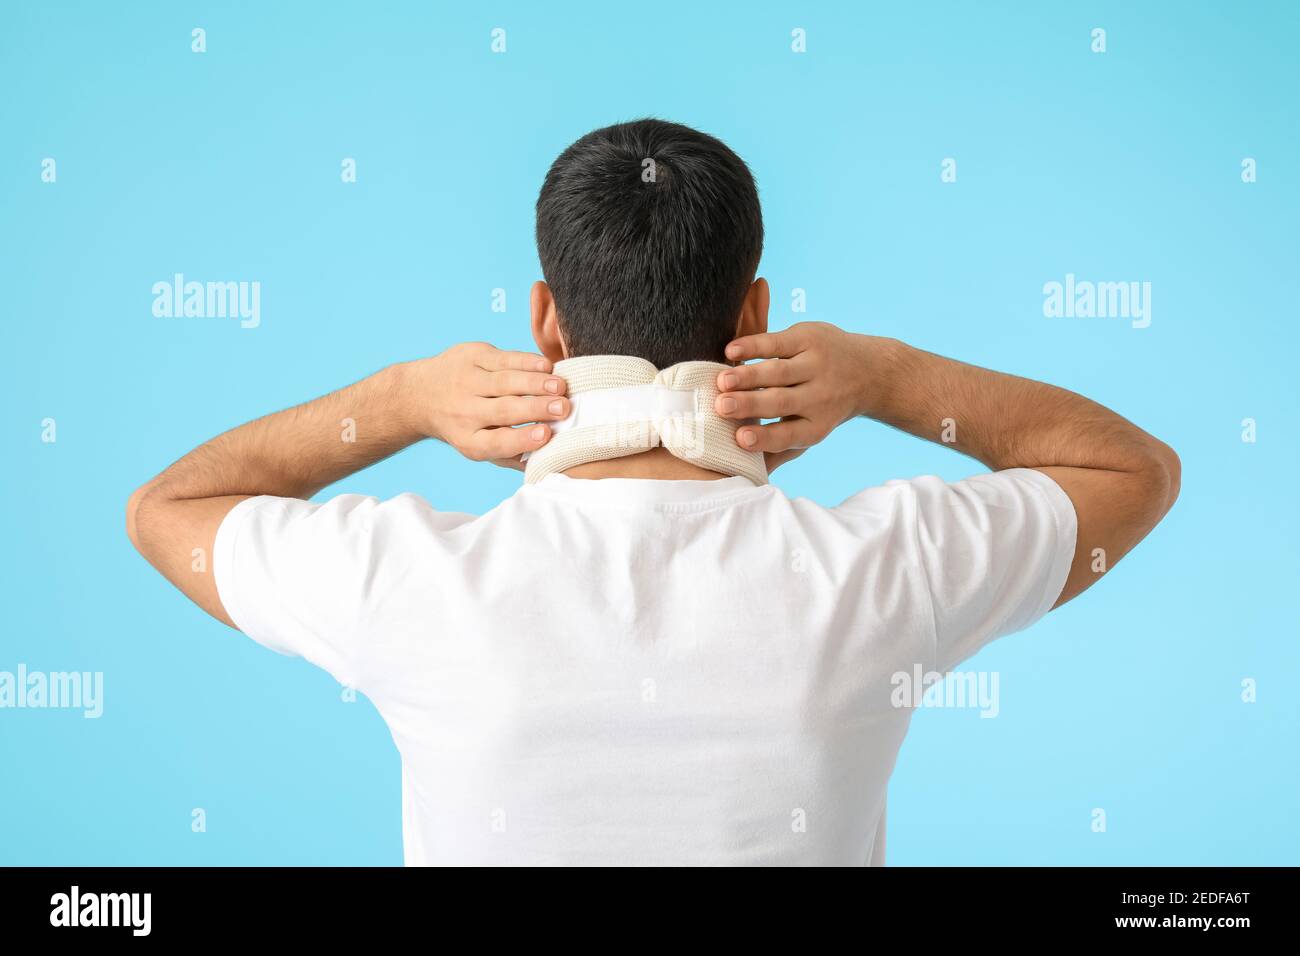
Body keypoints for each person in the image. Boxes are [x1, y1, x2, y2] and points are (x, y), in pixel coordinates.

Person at [126, 119, 1180, 865]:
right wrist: (883, 374)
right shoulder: (886, 571)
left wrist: (402, 398)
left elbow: (167, 507)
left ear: (548, 321)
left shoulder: (407, 582)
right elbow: (1135, 470)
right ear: (755, 312)